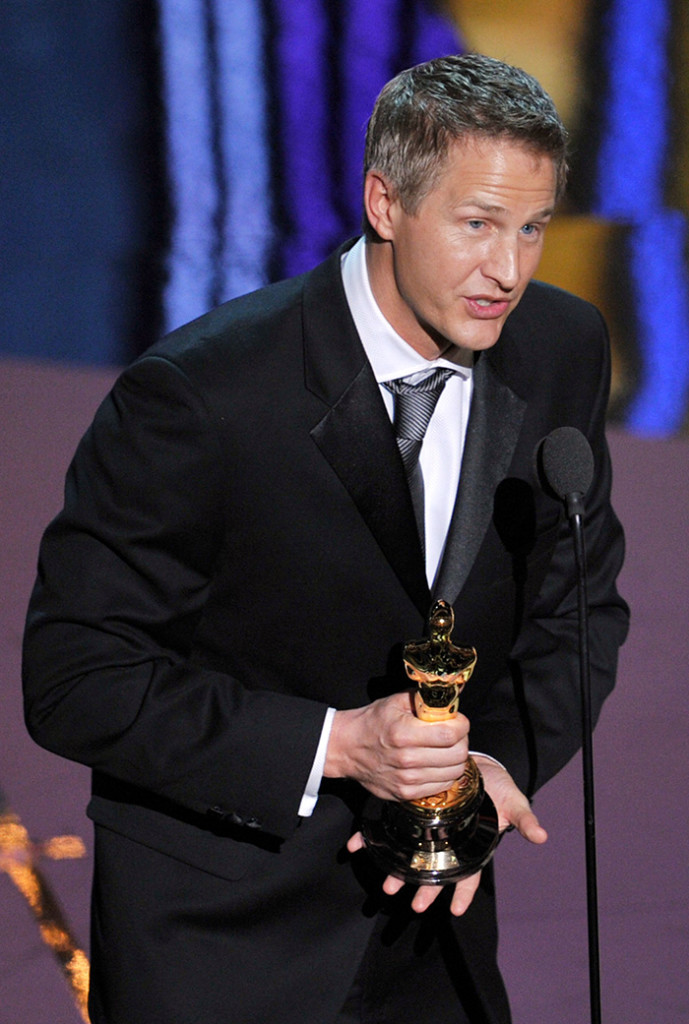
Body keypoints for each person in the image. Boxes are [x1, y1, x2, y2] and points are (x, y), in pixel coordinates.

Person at [22, 53, 629, 1024]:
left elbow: (577, 606)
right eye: (475, 225)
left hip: (435, 935)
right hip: (225, 946)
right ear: (384, 203)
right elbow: (75, 675)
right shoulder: (201, 395)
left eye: (530, 228)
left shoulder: (558, 345)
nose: (508, 270)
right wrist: (338, 743)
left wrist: (493, 761)